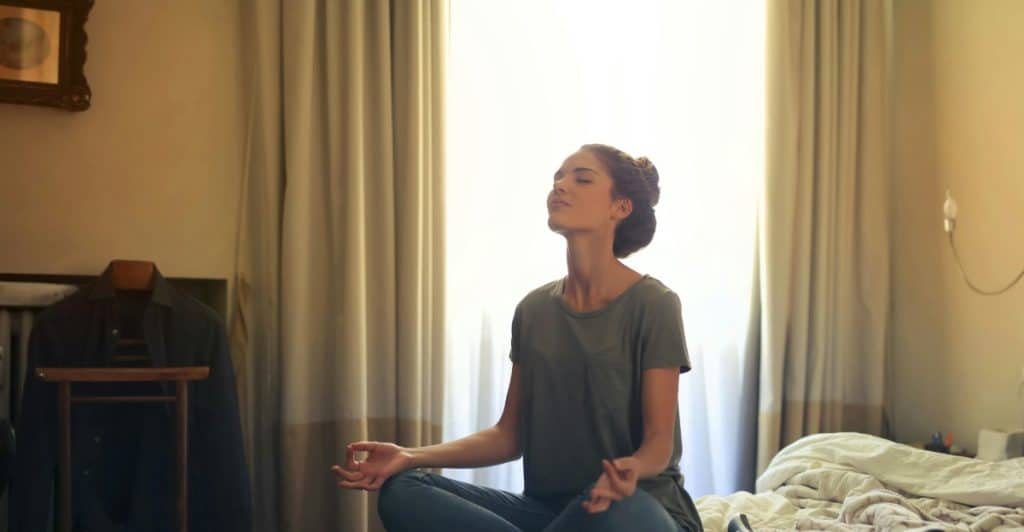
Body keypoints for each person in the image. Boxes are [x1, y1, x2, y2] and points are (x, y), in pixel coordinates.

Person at [332, 144, 703, 532]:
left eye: (581, 178)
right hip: (549, 514)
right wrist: (408, 455)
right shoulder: (534, 310)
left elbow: (659, 443)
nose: (560, 185)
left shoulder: (654, 303)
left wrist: (633, 467)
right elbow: (509, 436)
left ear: (620, 207)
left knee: (622, 510)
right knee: (404, 490)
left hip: (634, 510)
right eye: (557, 177)